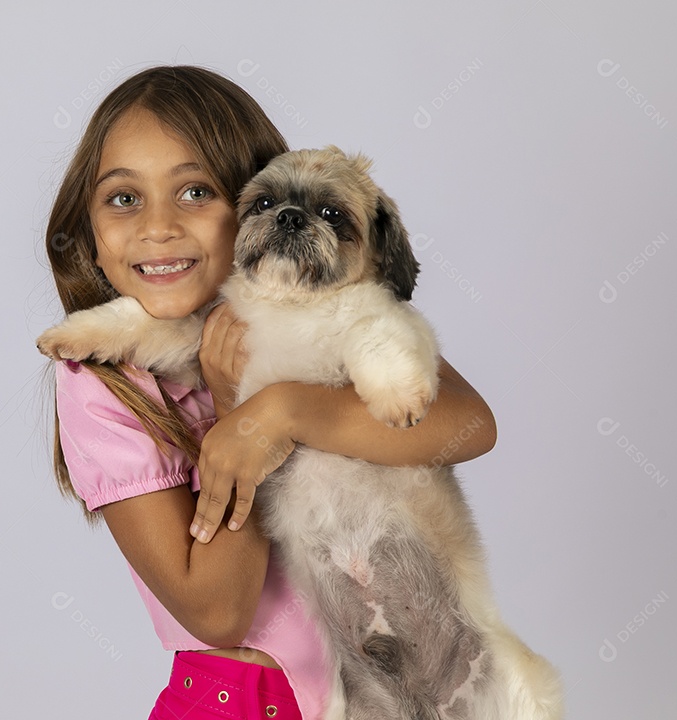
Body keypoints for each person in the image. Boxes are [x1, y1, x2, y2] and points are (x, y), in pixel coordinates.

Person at [42, 65, 496, 720]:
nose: (159, 226)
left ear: (257, 204)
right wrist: (238, 415)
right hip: (244, 704)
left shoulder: (329, 306)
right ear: (87, 229)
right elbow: (219, 612)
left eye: (196, 191)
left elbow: (470, 424)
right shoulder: (104, 383)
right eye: (123, 198)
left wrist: (282, 410)